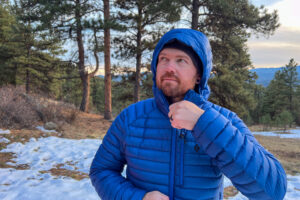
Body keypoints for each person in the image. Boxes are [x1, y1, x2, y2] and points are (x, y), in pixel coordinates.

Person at [90, 29, 287, 200]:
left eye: (181, 61)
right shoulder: (131, 117)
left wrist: (204, 123)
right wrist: (137, 197)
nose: (169, 67)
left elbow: (272, 191)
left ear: (199, 75)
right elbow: (101, 170)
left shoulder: (223, 120)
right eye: (163, 59)